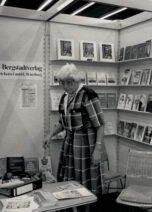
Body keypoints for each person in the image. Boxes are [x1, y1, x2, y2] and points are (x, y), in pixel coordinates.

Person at [43, 64, 105, 204]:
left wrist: (98, 149)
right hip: (69, 143)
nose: (66, 86)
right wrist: (50, 135)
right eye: (63, 82)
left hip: (86, 145)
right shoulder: (65, 97)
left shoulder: (88, 95)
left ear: (77, 80)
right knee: (68, 180)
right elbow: (63, 123)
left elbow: (100, 124)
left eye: (69, 82)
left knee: (85, 183)